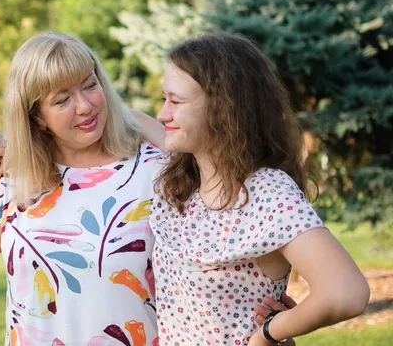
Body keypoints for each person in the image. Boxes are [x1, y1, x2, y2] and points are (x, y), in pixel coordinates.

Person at [0, 31, 164, 345]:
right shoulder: (18, 180)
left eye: (90, 85)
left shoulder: (152, 167)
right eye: (62, 99)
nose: (85, 106)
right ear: (36, 116)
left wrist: (140, 121)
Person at [150, 33, 370, 346]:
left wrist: (269, 334)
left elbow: (346, 292)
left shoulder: (265, 192)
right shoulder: (183, 184)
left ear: (222, 107)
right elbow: (139, 124)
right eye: (163, 99)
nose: (163, 114)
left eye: (176, 101)